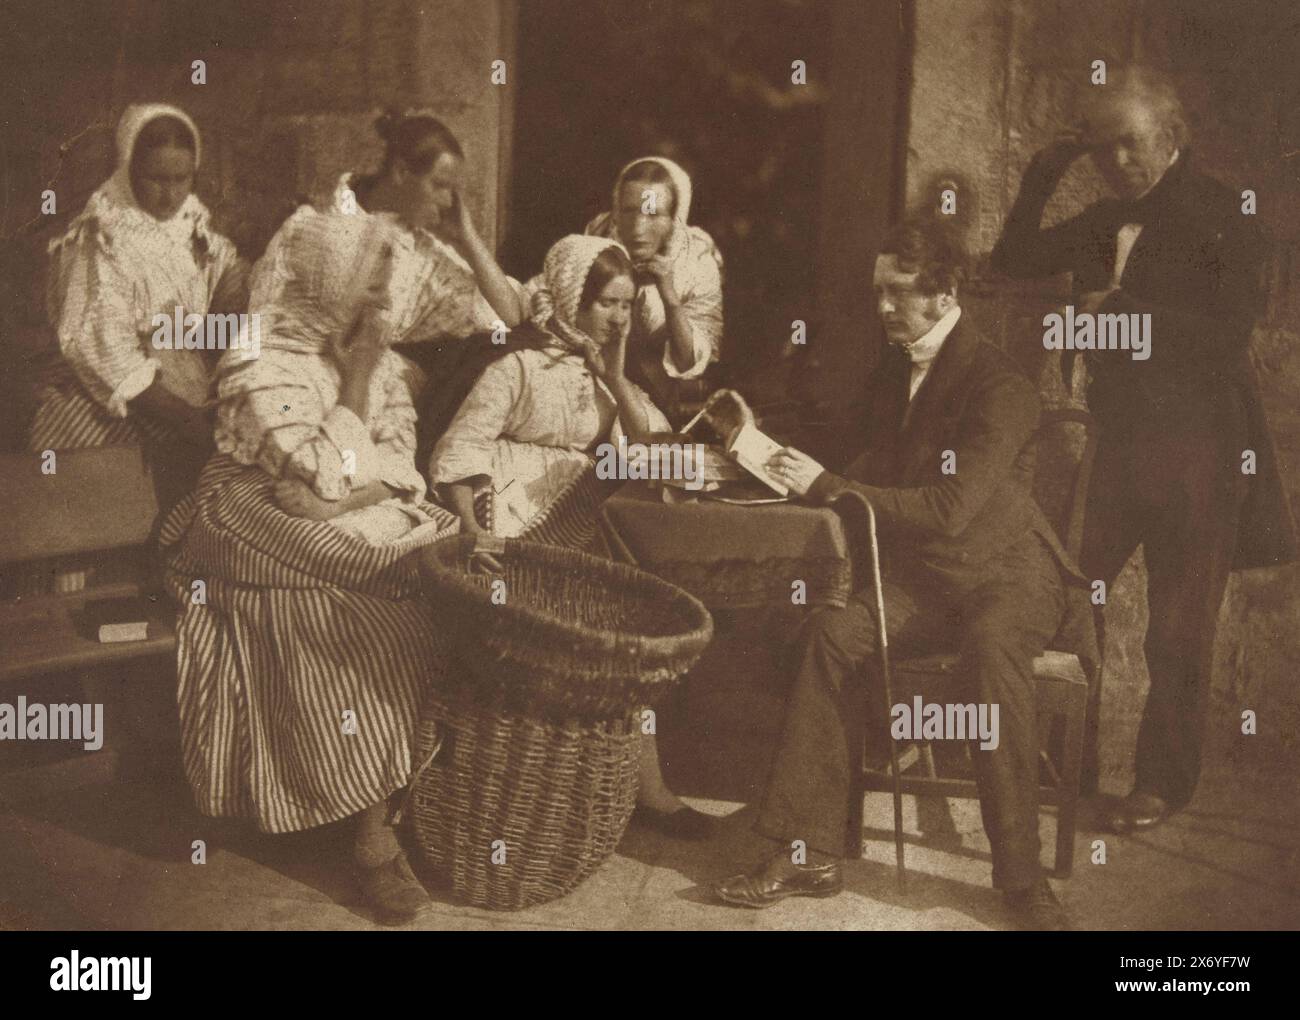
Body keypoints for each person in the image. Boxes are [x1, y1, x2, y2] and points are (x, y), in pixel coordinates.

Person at [711, 217, 1096, 929]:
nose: (882, 306)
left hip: (1009, 575)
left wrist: (829, 488)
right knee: (830, 633)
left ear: (944, 291)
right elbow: (848, 445)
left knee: (990, 652)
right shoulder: (896, 364)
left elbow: (950, 508)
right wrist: (751, 439)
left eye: (896, 292)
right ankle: (808, 851)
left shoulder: (1002, 387)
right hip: (926, 581)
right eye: (878, 292)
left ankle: (1021, 880)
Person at [990, 67, 1296, 834]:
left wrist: (1129, 311)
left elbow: (1228, 333)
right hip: (1119, 444)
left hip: (1202, 448)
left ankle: (1160, 785)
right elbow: (1013, 258)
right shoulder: (1100, 216)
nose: (1116, 160)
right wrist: (1047, 167)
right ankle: (1064, 768)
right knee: (1066, 594)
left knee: (1179, 629)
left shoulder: (1227, 212)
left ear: (1170, 136)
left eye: (1129, 143)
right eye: (1102, 149)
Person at [162, 198, 462, 928]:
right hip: (244, 522)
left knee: (430, 571)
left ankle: (397, 804)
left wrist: (349, 485)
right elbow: (313, 483)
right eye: (361, 290)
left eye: (377, 293)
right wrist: (355, 392)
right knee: (374, 613)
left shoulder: (377, 360)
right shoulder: (262, 361)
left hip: (334, 511)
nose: (374, 307)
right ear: (325, 284)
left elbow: (396, 467)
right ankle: (370, 840)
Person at [430, 234, 716, 838]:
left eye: (626, 306)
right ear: (569, 298)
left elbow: (647, 450)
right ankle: (518, 801)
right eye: (607, 304)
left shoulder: (602, 371)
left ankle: (643, 790)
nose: (619, 318)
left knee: (627, 639)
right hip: (510, 519)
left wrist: (613, 376)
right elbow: (459, 451)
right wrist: (473, 529)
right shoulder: (516, 363)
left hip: (575, 515)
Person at [29, 103, 247, 506]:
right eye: (156, 178)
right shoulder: (102, 237)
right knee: (107, 518)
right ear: (129, 167)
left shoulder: (198, 232)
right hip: (111, 403)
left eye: (181, 178)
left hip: (182, 393)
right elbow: (100, 344)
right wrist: (183, 416)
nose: (170, 192)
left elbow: (225, 304)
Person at [580, 156, 724, 424]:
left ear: (675, 218)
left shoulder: (697, 263)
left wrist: (669, 296)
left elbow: (688, 365)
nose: (637, 228)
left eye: (653, 214)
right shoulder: (595, 243)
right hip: (595, 384)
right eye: (628, 211)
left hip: (666, 401)